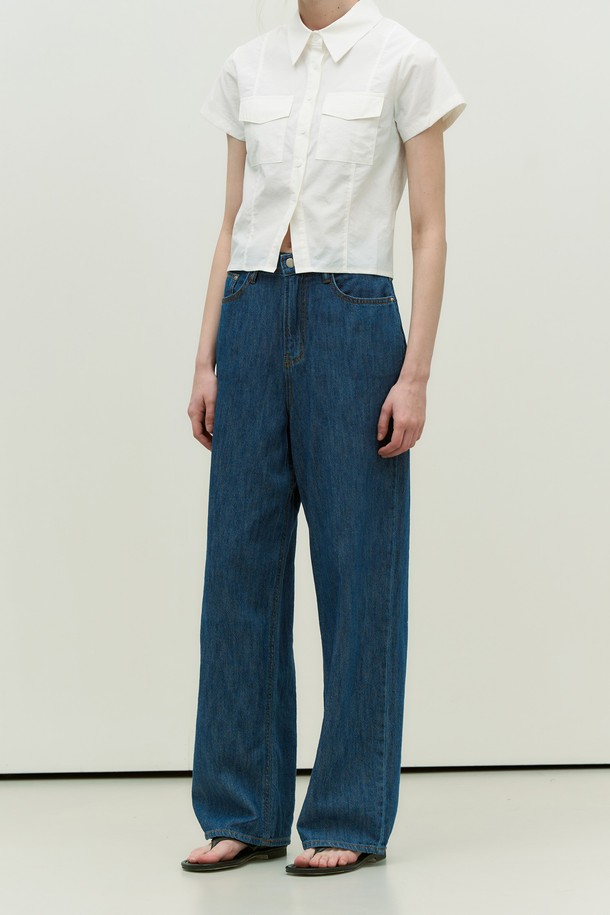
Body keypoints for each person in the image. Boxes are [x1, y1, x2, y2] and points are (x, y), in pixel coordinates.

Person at [182, 0, 466, 876]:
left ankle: (347, 813)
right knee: (239, 570)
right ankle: (243, 807)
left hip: (354, 317)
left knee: (359, 572)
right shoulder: (249, 65)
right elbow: (231, 222)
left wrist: (415, 372)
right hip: (250, 309)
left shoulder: (405, 60)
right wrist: (206, 359)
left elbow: (429, 230)